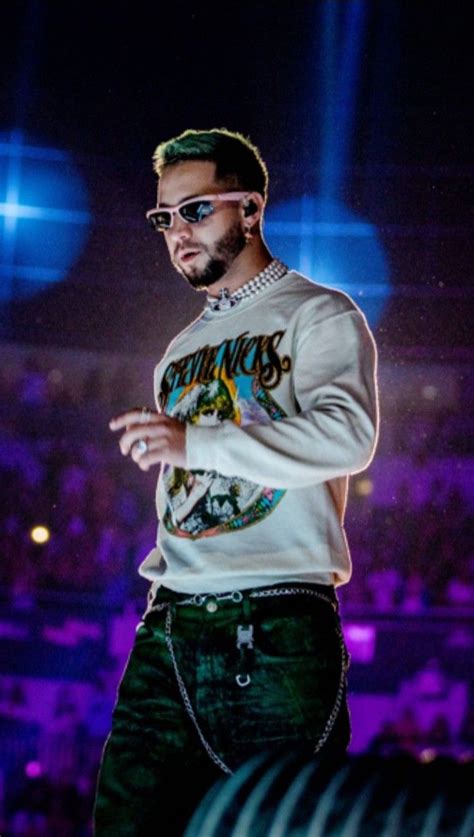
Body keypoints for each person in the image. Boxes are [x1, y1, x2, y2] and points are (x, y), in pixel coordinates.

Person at [94, 128, 379, 835]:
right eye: (165, 217)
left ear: (250, 209)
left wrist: (198, 440)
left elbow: (350, 436)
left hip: (276, 620)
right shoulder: (179, 349)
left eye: (196, 210)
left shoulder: (320, 313)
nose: (177, 233)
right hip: (168, 621)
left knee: (276, 825)